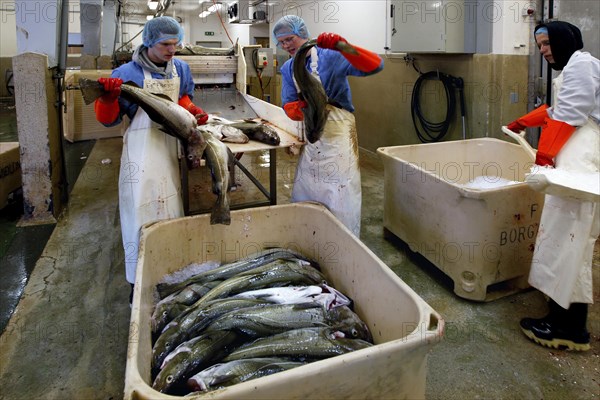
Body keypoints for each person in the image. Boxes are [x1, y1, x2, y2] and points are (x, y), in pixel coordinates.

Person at [93, 16, 208, 303]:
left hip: (169, 149)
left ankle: (172, 276)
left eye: (175, 43)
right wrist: (107, 100)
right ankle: (139, 284)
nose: (172, 49)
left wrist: (192, 109)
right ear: (148, 42)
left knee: (171, 208)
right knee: (138, 214)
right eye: (165, 44)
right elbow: (108, 121)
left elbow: (182, 98)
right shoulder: (125, 72)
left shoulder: (180, 67)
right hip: (140, 152)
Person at [506, 21, 599, 351]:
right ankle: (560, 316)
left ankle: (569, 328)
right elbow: (558, 111)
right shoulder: (575, 68)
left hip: (580, 165)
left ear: (564, 39)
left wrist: (543, 157)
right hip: (572, 161)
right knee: (561, 239)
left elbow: (571, 115)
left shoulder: (583, 65)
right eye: (540, 45)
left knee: (570, 242)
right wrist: (524, 121)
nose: (543, 50)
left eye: (546, 43)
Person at [272, 15, 383, 237]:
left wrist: (342, 46)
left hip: (339, 132)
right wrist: (299, 107)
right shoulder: (287, 68)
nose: (286, 46)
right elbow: (288, 104)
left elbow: (375, 65)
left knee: (341, 191)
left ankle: (344, 240)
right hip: (313, 135)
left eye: (290, 39)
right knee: (307, 189)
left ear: (302, 34)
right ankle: (310, 235)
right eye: (281, 42)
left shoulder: (331, 56)